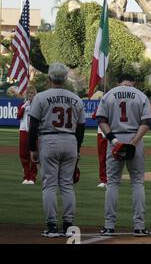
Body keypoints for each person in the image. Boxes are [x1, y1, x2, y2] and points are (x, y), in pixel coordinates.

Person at [28, 63, 86, 237]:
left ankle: (52, 226)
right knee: (67, 185)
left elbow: (33, 126)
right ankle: (68, 226)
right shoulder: (76, 99)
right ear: (65, 78)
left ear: (49, 78)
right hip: (70, 140)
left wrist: (32, 149)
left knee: (50, 186)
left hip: (49, 139)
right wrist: (78, 148)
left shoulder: (40, 97)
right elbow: (81, 127)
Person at [96, 73, 151, 237]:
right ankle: (139, 226)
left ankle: (109, 226)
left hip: (115, 139)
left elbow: (101, 119)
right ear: (133, 82)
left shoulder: (109, 94)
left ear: (119, 82)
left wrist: (113, 141)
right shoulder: (140, 95)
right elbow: (146, 123)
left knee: (112, 183)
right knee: (137, 183)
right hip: (135, 138)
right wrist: (134, 142)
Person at [17, 86, 37, 185]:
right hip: (23, 130)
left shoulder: (37, 105)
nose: (30, 95)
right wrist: (24, 107)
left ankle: (33, 177)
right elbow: (18, 116)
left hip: (33, 132)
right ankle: (26, 176)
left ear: (35, 95)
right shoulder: (22, 105)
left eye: (32, 93)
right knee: (23, 154)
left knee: (33, 154)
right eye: (28, 93)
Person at [92, 109, 107, 188]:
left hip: (113, 132)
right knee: (102, 158)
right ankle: (104, 180)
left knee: (112, 158)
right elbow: (94, 116)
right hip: (102, 133)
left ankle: (110, 180)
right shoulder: (102, 104)